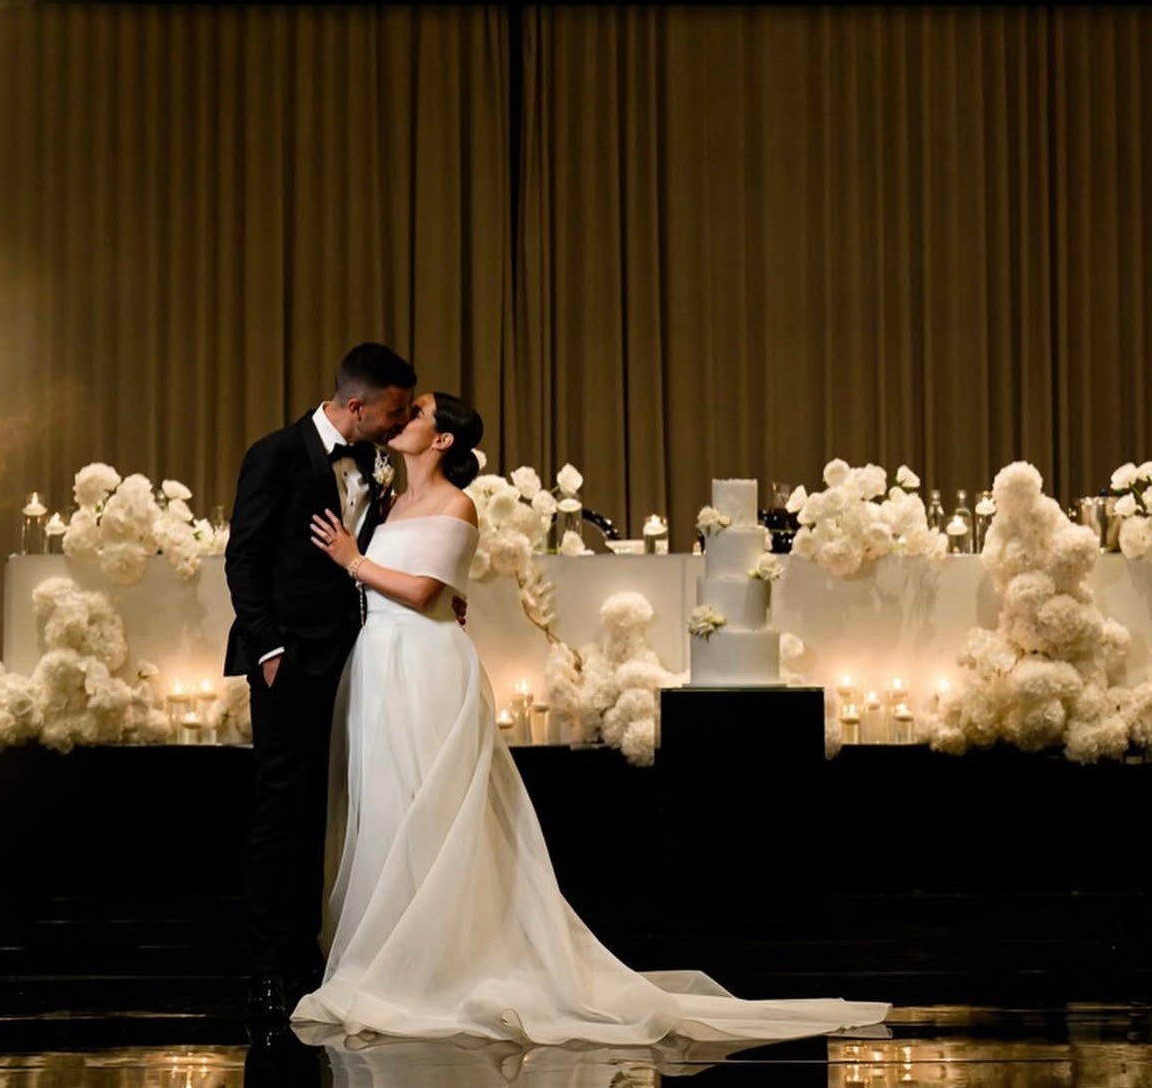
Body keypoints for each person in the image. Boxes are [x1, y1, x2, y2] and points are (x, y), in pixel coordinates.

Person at [294, 390, 891, 1049]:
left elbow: (425, 589)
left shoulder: (455, 503)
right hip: (382, 664)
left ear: (442, 441)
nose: (402, 416)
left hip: (428, 668)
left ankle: (437, 963)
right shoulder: (387, 501)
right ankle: (394, 957)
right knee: (386, 808)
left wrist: (355, 559)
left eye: (420, 412)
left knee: (433, 812)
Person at [224, 340, 417, 1030]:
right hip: (291, 658)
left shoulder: (373, 461)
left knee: (331, 808)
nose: (399, 425)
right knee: (283, 810)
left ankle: (311, 952)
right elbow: (242, 557)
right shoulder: (275, 453)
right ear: (357, 403)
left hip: (357, 655)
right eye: (393, 411)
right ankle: (271, 965)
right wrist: (268, 647)